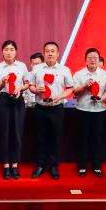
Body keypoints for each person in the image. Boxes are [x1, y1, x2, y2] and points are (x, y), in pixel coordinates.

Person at [29, 41, 73, 180]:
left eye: (52, 51)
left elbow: (70, 88)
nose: (50, 53)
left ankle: (53, 166)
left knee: (55, 137)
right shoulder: (37, 69)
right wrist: (36, 90)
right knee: (41, 137)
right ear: (44, 53)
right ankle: (40, 165)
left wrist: (60, 96)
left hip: (56, 108)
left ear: (58, 53)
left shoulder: (64, 70)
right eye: (47, 51)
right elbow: (30, 86)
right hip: (40, 108)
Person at [0, 40, 30, 180]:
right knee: (5, 133)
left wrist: (20, 88)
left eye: (12, 49)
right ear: (2, 52)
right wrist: (2, 82)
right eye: (6, 49)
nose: (9, 52)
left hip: (18, 100)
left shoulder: (22, 66)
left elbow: (27, 83)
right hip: (4, 100)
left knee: (17, 133)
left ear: (16, 51)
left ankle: (15, 165)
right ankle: (6, 165)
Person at [72, 48, 106, 177]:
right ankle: (82, 166)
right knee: (82, 138)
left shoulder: (105, 74)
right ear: (85, 60)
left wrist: (102, 98)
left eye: (95, 57)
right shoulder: (79, 74)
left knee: (97, 138)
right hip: (83, 110)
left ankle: (96, 165)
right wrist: (85, 85)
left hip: (99, 110)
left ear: (99, 59)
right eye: (90, 57)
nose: (93, 60)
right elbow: (75, 92)